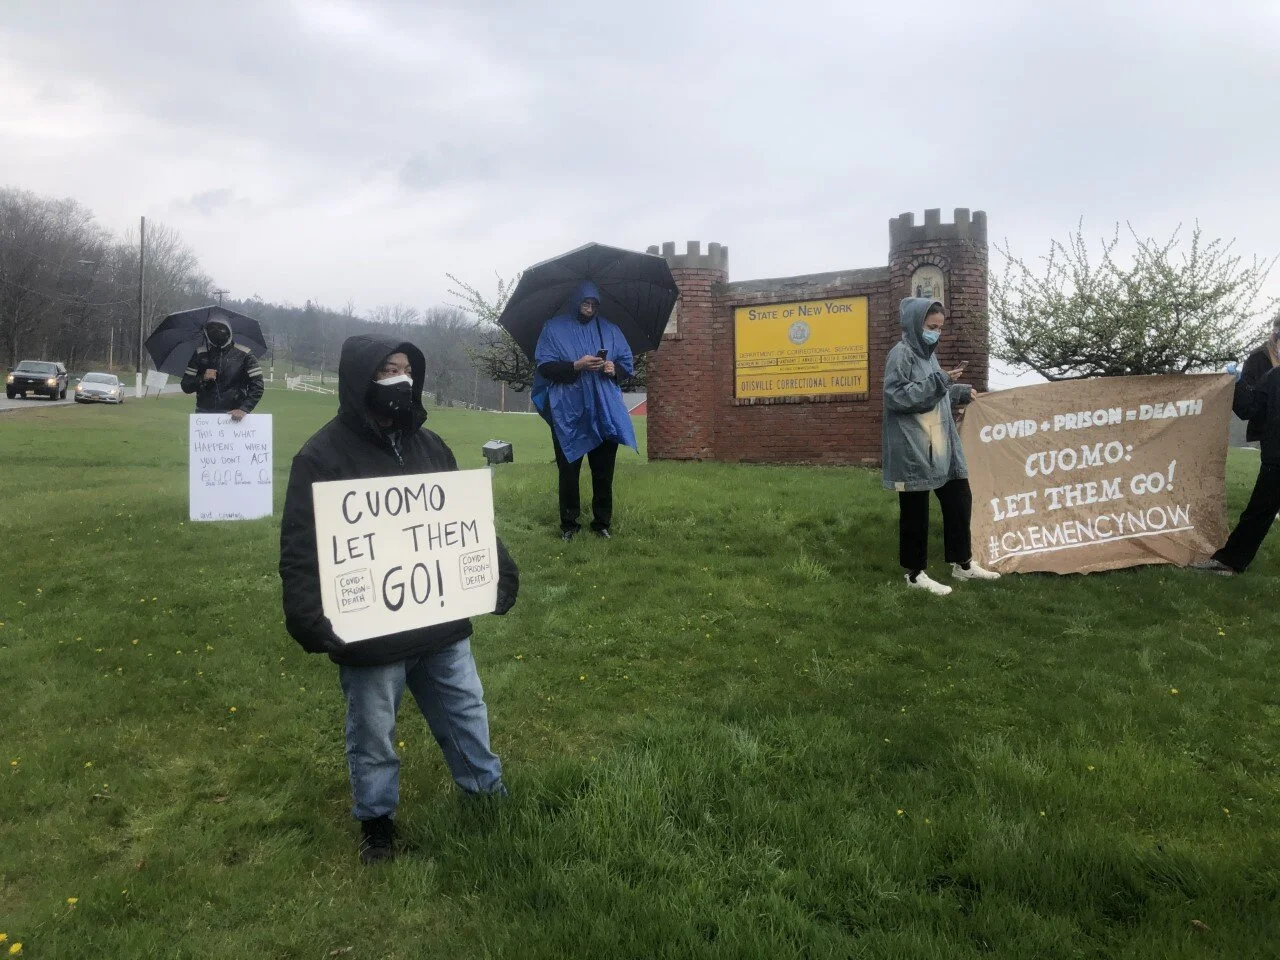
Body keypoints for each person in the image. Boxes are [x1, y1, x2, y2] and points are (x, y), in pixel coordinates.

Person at [279, 335, 519, 864]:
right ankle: (377, 822)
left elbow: (462, 521)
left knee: (466, 712)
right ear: (361, 377)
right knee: (373, 732)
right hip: (368, 632)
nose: (400, 379)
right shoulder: (320, 456)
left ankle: (486, 794)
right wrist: (305, 612)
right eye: (388, 369)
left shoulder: (431, 446)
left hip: (440, 622)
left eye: (407, 369)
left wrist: (499, 566)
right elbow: (301, 546)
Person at [882, 298, 1001, 596]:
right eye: (931, 326)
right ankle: (914, 574)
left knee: (959, 495)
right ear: (915, 324)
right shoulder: (901, 355)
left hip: (941, 443)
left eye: (940, 328)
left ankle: (963, 564)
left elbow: (936, 392)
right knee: (915, 509)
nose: (936, 332)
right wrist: (940, 381)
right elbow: (896, 396)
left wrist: (958, 390)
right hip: (913, 446)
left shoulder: (929, 357)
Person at [531, 281, 636, 541]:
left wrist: (614, 369)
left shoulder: (610, 330)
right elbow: (544, 366)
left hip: (604, 409)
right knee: (569, 470)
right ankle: (569, 524)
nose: (589, 308)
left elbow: (626, 364)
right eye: (585, 303)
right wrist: (576, 365)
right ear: (575, 302)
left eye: (594, 304)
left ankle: (602, 522)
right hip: (569, 410)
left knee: (603, 471)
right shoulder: (554, 329)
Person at [1190, 358, 1280, 576]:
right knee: (1259, 513)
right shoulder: (1274, 376)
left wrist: (1238, 383)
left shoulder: (1275, 376)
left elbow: (1248, 408)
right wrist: (1238, 383)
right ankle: (1230, 560)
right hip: (1276, 458)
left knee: (1258, 513)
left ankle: (1230, 561)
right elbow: (1248, 408)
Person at [179, 313, 264, 421]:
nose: (216, 331)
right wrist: (202, 379)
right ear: (206, 332)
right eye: (212, 328)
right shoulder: (200, 353)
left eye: (221, 328)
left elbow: (258, 386)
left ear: (229, 330)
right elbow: (186, 386)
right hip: (204, 417)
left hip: (233, 416)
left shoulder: (245, 354)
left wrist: (244, 409)